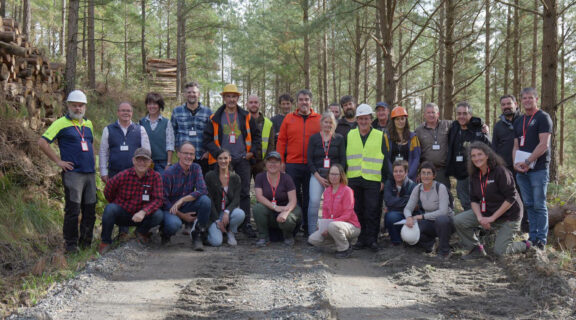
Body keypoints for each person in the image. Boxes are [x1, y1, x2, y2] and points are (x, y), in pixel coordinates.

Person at [38, 90, 97, 253]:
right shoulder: (60, 123)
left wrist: (94, 161)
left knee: (90, 209)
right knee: (73, 210)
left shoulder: (88, 124)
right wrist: (58, 161)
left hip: (90, 173)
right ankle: (71, 245)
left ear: (85, 107)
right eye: (74, 105)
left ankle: (86, 244)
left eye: (80, 106)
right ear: (68, 106)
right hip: (73, 174)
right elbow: (42, 142)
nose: (78, 108)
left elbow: (90, 144)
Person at [203, 83, 261, 238]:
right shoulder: (214, 117)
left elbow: (256, 137)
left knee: (243, 192)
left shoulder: (246, 116)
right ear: (223, 98)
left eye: (234, 96)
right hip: (222, 161)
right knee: (218, 191)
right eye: (228, 96)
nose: (231, 99)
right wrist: (219, 153)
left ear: (237, 98)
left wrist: (251, 153)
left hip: (242, 159)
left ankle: (245, 224)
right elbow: (207, 140)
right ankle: (218, 222)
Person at [454, 142, 529, 258]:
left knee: (500, 251)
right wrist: (480, 218)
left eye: (479, 154)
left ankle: (526, 245)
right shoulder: (475, 175)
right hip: (488, 212)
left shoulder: (500, 171)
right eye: (473, 156)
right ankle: (476, 249)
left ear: (487, 155)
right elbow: (473, 200)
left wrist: (492, 218)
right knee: (458, 220)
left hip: (510, 216)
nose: (476, 158)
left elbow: (511, 197)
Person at [99, 148, 164, 254]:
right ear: (133, 160)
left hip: (142, 216)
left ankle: (141, 233)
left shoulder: (156, 177)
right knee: (110, 208)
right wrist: (116, 203)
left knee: (159, 215)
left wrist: (144, 212)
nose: (141, 163)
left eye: (145, 160)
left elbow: (158, 199)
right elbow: (108, 190)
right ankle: (105, 242)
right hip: (124, 214)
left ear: (150, 162)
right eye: (139, 160)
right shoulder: (123, 175)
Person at [276, 89, 321, 235]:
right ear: (297, 102)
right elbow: (281, 140)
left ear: (311, 102)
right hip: (292, 164)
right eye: (301, 99)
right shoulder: (289, 118)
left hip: (311, 165)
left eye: (306, 99)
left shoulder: (318, 119)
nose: (304, 102)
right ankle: (294, 227)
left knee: (310, 198)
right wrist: (281, 161)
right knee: (293, 197)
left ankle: (309, 228)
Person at [512, 87, 552, 250]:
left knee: (539, 204)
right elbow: (515, 145)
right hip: (522, 170)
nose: (527, 100)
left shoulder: (543, 117)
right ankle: (532, 238)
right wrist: (515, 163)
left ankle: (541, 240)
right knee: (528, 204)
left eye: (530, 98)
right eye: (524, 98)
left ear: (536, 99)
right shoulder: (519, 121)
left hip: (538, 169)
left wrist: (528, 162)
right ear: (521, 101)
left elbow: (544, 145)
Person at [346, 104, 389, 252]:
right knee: (357, 209)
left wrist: (383, 179)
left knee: (372, 210)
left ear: (371, 119)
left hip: (373, 179)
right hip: (354, 178)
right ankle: (361, 239)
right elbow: (345, 158)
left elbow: (385, 159)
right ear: (357, 120)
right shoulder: (350, 135)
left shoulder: (379, 135)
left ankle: (372, 240)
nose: (364, 121)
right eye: (361, 119)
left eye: (366, 118)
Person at [162, 142, 212, 250]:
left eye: (191, 154)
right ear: (178, 154)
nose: (189, 156)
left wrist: (183, 199)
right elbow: (163, 200)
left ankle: (198, 234)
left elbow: (202, 190)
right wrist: (182, 215)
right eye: (185, 153)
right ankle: (165, 234)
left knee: (205, 201)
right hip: (171, 208)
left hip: (186, 204)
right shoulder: (169, 173)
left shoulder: (196, 168)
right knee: (174, 224)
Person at [403, 161, 454, 260]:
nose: (426, 176)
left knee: (441, 220)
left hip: (447, 223)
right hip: (430, 223)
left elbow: (443, 212)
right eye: (423, 173)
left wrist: (422, 216)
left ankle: (445, 251)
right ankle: (432, 245)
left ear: (434, 175)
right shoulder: (418, 188)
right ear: (419, 175)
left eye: (429, 173)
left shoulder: (440, 187)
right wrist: (409, 217)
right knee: (413, 228)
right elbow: (408, 208)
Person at [307, 164, 361, 258]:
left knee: (333, 226)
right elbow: (325, 212)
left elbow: (347, 214)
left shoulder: (347, 190)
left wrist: (330, 224)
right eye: (331, 174)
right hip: (333, 226)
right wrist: (323, 226)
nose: (333, 177)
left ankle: (344, 249)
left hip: (351, 225)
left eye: (336, 174)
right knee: (312, 239)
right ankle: (340, 241)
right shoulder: (327, 191)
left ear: (341, 176)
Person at [306, 112, 346, 235]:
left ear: (334, 124)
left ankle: (332, 231)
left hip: (334, 177)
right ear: (321, 122)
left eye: (330, 122)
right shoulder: (314, 138)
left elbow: (343, 160)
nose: (328, 124)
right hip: (317, 175)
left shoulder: (339, 138)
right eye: (326, 122)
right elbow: (310, 160)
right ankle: (312, 231)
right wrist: (318, 177)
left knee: (333, 205)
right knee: (314, 201)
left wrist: (336, 178)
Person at [446, 102, 490, 210]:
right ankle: (471, 223)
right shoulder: (454, 128)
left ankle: (481, 222)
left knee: (478, 199)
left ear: (470, 114)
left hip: (476, 172)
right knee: (463, 198)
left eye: (465, 113)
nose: (461, 116)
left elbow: (489, 147)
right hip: (460, 172)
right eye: (459, 113)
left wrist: (486, 132)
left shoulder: (478, 128)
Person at [253, 151, 302, 246]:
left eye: (275, 162)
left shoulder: (287, 178)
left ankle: (288, 236)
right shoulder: (260, 177)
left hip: (286, 208)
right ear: (266, 164)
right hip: (271, 209)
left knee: (289, 218)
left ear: (280, 164)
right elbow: (259, 197)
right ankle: (263, 237)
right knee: (257, 208)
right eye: (270, 162)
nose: (273, 164)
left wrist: (285, 212)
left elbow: (293, 200)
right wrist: (275, 207)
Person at [99, 102, 151, 183]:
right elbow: (103, 152)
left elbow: (147, 152)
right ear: (118, 112)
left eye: (128, 111)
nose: (126, 113)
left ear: (132, 113)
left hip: (136, 175)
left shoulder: (140, 129)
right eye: (123, 110)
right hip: (114, 174)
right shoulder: (108, 130)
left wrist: (145, 170)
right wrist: (103, 172)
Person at [204, 149, 246, 246]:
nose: (223, 161)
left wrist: (227, 212)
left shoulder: (235, 177)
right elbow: (209, 199)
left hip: (226, 212)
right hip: (213, 213)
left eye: (225, 158)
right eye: (220, 158)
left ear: (230, 159)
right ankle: (201, 231)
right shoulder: (209, 176)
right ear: (216, 160)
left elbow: (236, 199)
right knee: (216, 242)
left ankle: (230, 232)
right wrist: (217, 220)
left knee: (240, 213)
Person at [171, 81, 212, 174]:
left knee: (203, 186)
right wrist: (177, 149)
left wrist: (209, 152)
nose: (191, 94)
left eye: (194, 92)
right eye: (189, 92)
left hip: (202, 156)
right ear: (185, 94)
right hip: (184, 158)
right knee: (183, 186)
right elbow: (173, 132)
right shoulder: (177, 111)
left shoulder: (208, 112)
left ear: (199, 94)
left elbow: (213, 134)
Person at [415, 103, 452, 188]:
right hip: (425, 172)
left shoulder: (447, 125)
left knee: (444, 197)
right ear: (424, 115)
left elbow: (463, 122)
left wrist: (481, 124)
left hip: (442, 171)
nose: (431, 115)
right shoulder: (419, 130)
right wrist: (418, 172)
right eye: (428, 112)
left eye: (433, 112)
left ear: (438, 114)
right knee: (426, 198)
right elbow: (416, 153)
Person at [383, 160, 417, 246]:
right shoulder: (389, 183)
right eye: (395, 171)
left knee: (391, 213)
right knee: (391, 216)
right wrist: (405, 199)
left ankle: (407, 239)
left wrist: (395, 204)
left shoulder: (412, 185)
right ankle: (396, 241)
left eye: (401, 171)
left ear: (406, 172)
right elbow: (388, 201)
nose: (398, 174)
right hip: (395, 215)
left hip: (410, 216)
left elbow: (413, 205)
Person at [140, 92, 175, 174]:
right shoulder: (141, 122)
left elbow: (170, 144)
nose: (152, 106)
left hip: (162, 163)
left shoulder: (167, 123)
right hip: (145, 161)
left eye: (155, 104)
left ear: (159, 105)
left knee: (161, 186)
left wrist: (168, 163)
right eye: (149, 103)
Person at [385, 106, 421, 181]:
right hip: (391, 178)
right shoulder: (386, 138)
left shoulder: (413, 137)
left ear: (406, 120)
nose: (400, 121)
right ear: (393, 121)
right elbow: (386, 158)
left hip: (409, 178)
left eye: (402, 119)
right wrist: (394, 174)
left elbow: (416, 158)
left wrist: (408, 175)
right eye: (397, 119)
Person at [247, 94, 275, 179]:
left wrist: (266, 161)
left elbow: (271, 144)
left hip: (261, 162)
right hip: (245, 162)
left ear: (259, 104)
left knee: (262, 190)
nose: (253, 104)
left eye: (256, 102)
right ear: (247, 105)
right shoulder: (242, 120)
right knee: (243, 190)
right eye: (251, 102)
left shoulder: (268, 123)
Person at [492, 95, 521, 172]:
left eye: (509, 103)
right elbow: (494, 147)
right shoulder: (498, 126)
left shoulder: (524, 121)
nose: (506, 106)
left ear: (516, 104)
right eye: (503, 105)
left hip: (522, 166)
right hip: (504, 168)